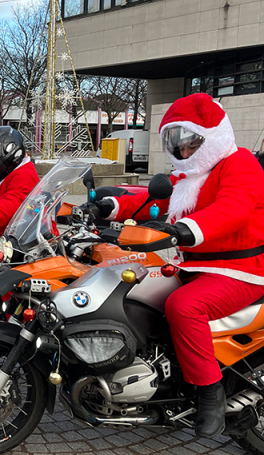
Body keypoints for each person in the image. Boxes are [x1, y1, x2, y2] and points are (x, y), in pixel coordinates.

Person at [86, 93, 264, 439]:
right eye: (175, 143)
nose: (182, 151)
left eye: (189, 142)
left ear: (210, 137)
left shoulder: (240, 164)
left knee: (183, 306)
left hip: (240, 270)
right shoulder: (191, 172)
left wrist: (185, 229)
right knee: (138, 291)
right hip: (196, 268)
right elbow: (152, 199)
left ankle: (210, 394)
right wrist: (107, 207)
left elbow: (234, 209)